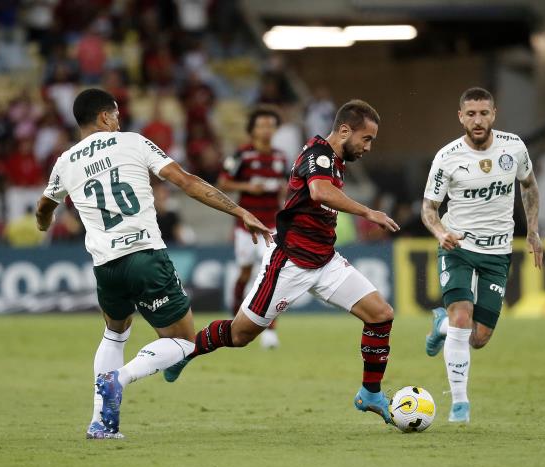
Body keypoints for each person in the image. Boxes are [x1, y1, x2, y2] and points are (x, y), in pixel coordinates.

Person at [34, 88, 272, 440]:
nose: (118, 120)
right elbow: (187, 182)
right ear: (103, 117)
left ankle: (101, 423)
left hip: (106, 266)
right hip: (145, 254)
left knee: (115, 332)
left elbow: (43, 208)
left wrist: (44, 223)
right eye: (115, 114)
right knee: (184, 342)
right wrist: (239, 210)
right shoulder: (131, 142)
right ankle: (120, 378)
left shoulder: (66, 161)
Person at [164, 100, 401, 424]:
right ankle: (186, 350)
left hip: (325, 261)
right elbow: (319, 192)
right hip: (290, 262)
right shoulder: (317, 153)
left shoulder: (335, 160)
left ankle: (370, 394)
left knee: (381, 315)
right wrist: (367, 211)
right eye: (367, 139)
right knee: (240, 335)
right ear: (344, 130)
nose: (368, 147)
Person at [420, 87, 543, 424]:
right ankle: (460, 405)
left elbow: (529, 185)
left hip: (498, 251)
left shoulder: (514, 147)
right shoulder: (447, 157)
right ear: (460, 116)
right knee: (462, 318)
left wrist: (532, 230)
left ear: (494, 114)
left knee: (479, 338)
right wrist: (440, 232)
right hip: (457, 246)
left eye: (483, 113)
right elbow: (429, 208)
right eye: (470, 114)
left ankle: (440, 325)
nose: (477, 120)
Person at [216, 106, 287, 348]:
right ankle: (236, 317)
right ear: (252, 129)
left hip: (272, 226)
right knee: (245, 273)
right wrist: (247, 187)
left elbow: (285, 188)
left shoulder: (280, 157)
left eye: (270, 125)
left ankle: (270, 331)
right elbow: (222, 182)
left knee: (273, 276)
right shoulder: (242, 155)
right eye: (261, 125)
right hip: (246, 226)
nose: (266, 129)